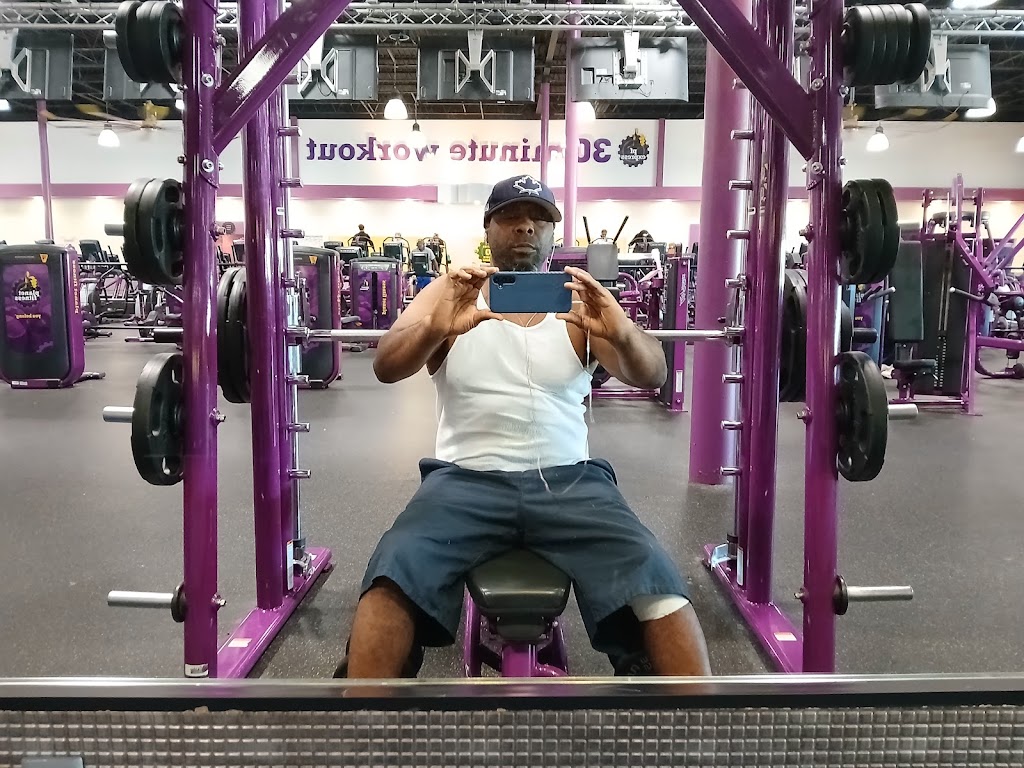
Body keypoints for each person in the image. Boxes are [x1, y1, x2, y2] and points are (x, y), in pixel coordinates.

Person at [339, 174, 711, 679]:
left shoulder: (579, 302)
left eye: (539, 219)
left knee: (654, 575)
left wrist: (622, 331)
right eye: (511, 217)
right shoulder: (452, 292)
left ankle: (698, 723)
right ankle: (363, 721)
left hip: (572, 482)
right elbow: (386, 365)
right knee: (393, 573)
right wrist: (436, 328)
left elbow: (653, 374)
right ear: (488, 229)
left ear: (553, 235)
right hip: (463, 481)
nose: (526, 228)